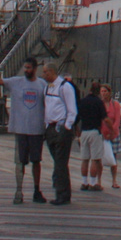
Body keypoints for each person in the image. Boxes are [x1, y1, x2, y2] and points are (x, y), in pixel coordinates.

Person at [0, 58, 48, 204]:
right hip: (21, 129)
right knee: (20, 161)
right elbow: (1, 82)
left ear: (34, 69)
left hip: (36, 129)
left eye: (28, 68)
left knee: (36, 161)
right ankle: (18, 190)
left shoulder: (42, 85)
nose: (26, 70)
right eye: (25, 67)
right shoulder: (16, 82)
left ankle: (36, 190)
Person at [40, 63, 78, 205]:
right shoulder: (48, 88)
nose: (43, 75)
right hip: (50, 128)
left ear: (51, 72)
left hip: (61, 128)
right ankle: (63, 192)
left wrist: (67, 127)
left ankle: (62, 194)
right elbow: (47, 107)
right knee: (58, 162)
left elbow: (72, 109)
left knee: (60, 163)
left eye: (45, 72)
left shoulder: (65, 87)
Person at [76, 81, 109, 192]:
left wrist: (77, 134)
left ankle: (84, 183)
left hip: (84, 132)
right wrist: (112, 129)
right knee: (95, 159)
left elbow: (77, 118)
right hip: (95, 132)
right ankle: (93, 183)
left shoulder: (82, 101)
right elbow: (105, 118)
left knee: (84, 160)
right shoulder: (99, 102)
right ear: (98, 91)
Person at [99, 84, 121, 189]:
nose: (103, 93)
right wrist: (103, 132)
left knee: (113, 158)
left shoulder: (115, 104)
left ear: (109, 92)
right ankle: (99, 181)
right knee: (99, 158)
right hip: (102, 135)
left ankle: (114, 181)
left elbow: (117, 119)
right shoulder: (99, 104)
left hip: (113, 134)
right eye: (102, 91)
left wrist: (112, 132)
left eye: (105, 91)